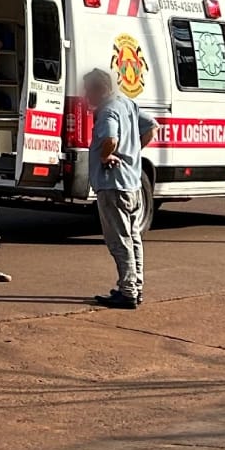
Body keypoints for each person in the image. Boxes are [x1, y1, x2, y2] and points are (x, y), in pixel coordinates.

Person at [84, 66, 156, 309]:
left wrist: (107, 156)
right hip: (132, 182)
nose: (86, 96)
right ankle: (135, 287)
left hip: (113, 185)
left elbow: (110, 139)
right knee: (133, 238)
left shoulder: (107, 111)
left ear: (99, 89)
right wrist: (133, 153)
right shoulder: (126, 103)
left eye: (88, 90)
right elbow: (152, 126)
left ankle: (127, 292)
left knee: (119, 240)